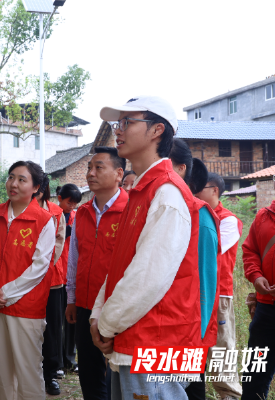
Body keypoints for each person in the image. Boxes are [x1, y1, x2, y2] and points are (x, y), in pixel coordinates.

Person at [92, 96, 201, 399]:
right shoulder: (142, 190)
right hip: (134, 338)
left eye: (127, 122)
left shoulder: (166, 192)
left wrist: (106, 322)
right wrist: (99, 315)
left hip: (154, 343)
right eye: (118, 123)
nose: (119, 130)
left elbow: (148, 278)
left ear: (156, 130)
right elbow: (122, 264)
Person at [0, 160, 55, 400]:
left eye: (22, 179)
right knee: (2, 368)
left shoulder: (44, 219)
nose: (14, 184)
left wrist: (5, 293)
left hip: (25, 307)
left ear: (36, 188)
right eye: (11, 177)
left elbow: (40, 266)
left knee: (28, 369)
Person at [65, 146, 127, 400]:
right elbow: (74, 258)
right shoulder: (83, 213)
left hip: (117, 307)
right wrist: (72, 298)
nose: (90, 173)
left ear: (118, 173)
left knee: (116, 374)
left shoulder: (131, 211)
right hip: (84, 305)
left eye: (98, 167)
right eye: (90, 167)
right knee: (89, 374)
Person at [170, 138, 220, 400]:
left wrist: (195, 340)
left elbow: (206, 285)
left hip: (188, 334)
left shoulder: (200, 218)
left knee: (190, 389)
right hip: (167, 331)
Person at [195, 172, 243, 400]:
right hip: (194, 295)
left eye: (199, 187)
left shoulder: (229, 220)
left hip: (219, 297)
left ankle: (230, 395)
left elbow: (208, 250)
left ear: (214, 190)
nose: (194, 191)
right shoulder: (196, 215)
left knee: (221, 354)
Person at [241, 171, 275, 400]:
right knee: (254, 377)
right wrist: (255, 276)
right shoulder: (263, 216)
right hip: (266, 310)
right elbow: (250, 250)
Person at [36, 177, 66, 395]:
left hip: (51, 281)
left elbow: (59, 241)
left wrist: (39, 270)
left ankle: (50, 375)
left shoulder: (56, 211)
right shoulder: (16, 210)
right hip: (21, 284)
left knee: (52, 329)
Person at [55, 184, 82, 374]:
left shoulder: (76, 217)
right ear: (60, 198)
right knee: (57, 322)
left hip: (71, 277)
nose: (71, 206)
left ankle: (69, 358)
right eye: (69, 202)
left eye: (74, 203)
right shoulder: (52, 216)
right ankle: (57, 360)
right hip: (57, 277)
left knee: (71, 321)